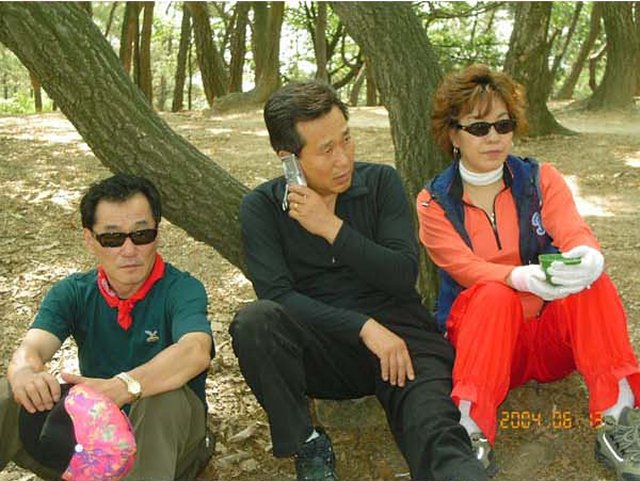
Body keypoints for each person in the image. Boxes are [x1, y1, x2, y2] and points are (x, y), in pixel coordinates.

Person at [229, 80, 488, 481]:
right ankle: (308, 442)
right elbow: (278, 297)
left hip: (402, 340)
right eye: (326, 150)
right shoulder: (261, 207)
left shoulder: (381, 183)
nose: (343, 159)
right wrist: (363, 327)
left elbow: (402, 275)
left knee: (438, 436)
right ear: (288, 159)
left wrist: (330, 227)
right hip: (324, 349)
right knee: (254, 321)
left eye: (346, 140)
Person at [417, 63, 640, 480]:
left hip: (550, 340)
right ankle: (470, 431)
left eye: (503, 125)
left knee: (592, 284)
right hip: (489, 347)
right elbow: (463, 266)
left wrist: (587, 255)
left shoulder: (540, 179)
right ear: (453, 135)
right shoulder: (434, 202)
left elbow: (572, 229)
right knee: (492, 293)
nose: (494, 137)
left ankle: (619, 419)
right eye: (479, 127)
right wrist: (516, 277)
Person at [0, 174, 215, 481]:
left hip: (168, 445)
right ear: (90, 240)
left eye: (141, 235)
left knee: (161, 399)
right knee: (9, 392)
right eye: (113, 239)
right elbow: (32, 349)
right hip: (93, 438)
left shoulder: (181, 289)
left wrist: (124, 387)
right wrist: (24, 374)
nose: (129, 250)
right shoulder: (74, 292)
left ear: (157, 233)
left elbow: (195, 350)